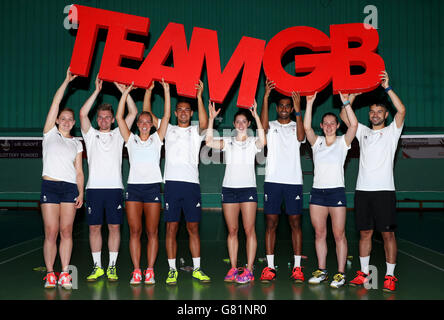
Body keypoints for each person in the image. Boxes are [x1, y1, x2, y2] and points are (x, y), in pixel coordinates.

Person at [340, 71, 406, 292]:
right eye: (373, 111)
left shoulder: (392, 132)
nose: (375, 114)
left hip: (385, 192)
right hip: (363, 192)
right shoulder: (363, 131)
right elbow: (344, 116)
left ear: (386, 115)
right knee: (365, 233)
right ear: (369, 115)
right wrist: (354, 97)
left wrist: (387, 88)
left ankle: (389, 276)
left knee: (388, 234)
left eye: (379, 111)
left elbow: (402, 110)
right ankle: (364, 274)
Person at [144, 80, 210, 285]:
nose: (183, 112)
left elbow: (206, 124)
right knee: (171, 228)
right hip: (171, 184)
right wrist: (148, 92)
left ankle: (197, 269)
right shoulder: (168, 129)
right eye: (179, 109)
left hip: (191, 185)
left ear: (191, 114)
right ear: (174, 113)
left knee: (193, 228)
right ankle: (172, 270)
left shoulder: (197, 131)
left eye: (186, 110)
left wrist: (199, 97)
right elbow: (146, 113)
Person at [79, 76, 138, 282]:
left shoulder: (119, 134)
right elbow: (82, 113)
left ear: (113, 119)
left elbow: (133, 113)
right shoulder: (90, 134)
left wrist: (124, 92)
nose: (104, 120)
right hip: (94, 189)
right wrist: (96, 91)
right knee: (94, 228)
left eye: (107, 117)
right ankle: (98, 266)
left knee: (114, 227)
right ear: (98, 119)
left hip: (114, 189)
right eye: (101, 117)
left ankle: (111, 266)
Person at [115, 80, 170, 285]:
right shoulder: (130, 139)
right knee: (135, 231)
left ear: (151, 125)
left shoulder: (157, 139)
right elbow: (120, 117)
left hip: (153, 188)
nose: (145, 124)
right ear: (137, 125)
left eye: (148, 121)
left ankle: (150, 270)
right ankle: (137, 270)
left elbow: (166, 117)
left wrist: (165, 91)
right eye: (142, 122)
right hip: (134, 190)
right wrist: (124, 94)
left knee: (152, 231)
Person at [206, 100, 266, 284]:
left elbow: (263, 141)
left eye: (244, 121)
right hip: (229, 190)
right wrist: (211, 119)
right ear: (234, 124)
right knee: (232, 230)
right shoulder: (228, 142)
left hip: (248, 190)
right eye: (238, 121)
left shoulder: (253, 143)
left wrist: (256, 116)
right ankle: (233, 268)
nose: (240, 124)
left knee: (249, 230)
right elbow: (208, 141)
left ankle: (248, 269)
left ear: (248, 124)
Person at [303, 90, 359, 288]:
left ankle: (341, 274)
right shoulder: (316, 142)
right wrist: (309, 103)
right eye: (325, 123)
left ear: (337, 126)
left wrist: (346, 102)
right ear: (322, 126)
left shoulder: (343, 142)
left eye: (332, 123)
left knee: (338, 234)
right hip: (317, 193)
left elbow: (354, 125)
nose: (328, 126)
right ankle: (322, 270)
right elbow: (306, 127)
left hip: (336, 192)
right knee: (319, 234)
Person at [41, 68, 84, 289]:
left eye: (70, 119)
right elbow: (56, 102)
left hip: (69, 188)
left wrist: (81, 192)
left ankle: (65, 273)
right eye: (63, 118)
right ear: (57, 120)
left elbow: (79, 171)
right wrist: (66, 81)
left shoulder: (77, 143)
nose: (66, 122)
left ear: (74, 123)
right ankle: (50, 273)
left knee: (67, 231)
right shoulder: (49, 133)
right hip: (50, 184)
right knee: (51, 231)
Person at [259, 79, 306, 283]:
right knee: (271, 223)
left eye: (288, 105)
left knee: (295, 223)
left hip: (293, 181)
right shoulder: (271, 126)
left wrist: (298, 110)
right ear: (277, 108)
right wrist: (266, 97)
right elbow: (261, 128)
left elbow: (302, 137)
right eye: (282, 106)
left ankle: (297, 267)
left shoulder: (298, 125)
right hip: (273, 181)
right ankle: (269, 267)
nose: (285, 109)